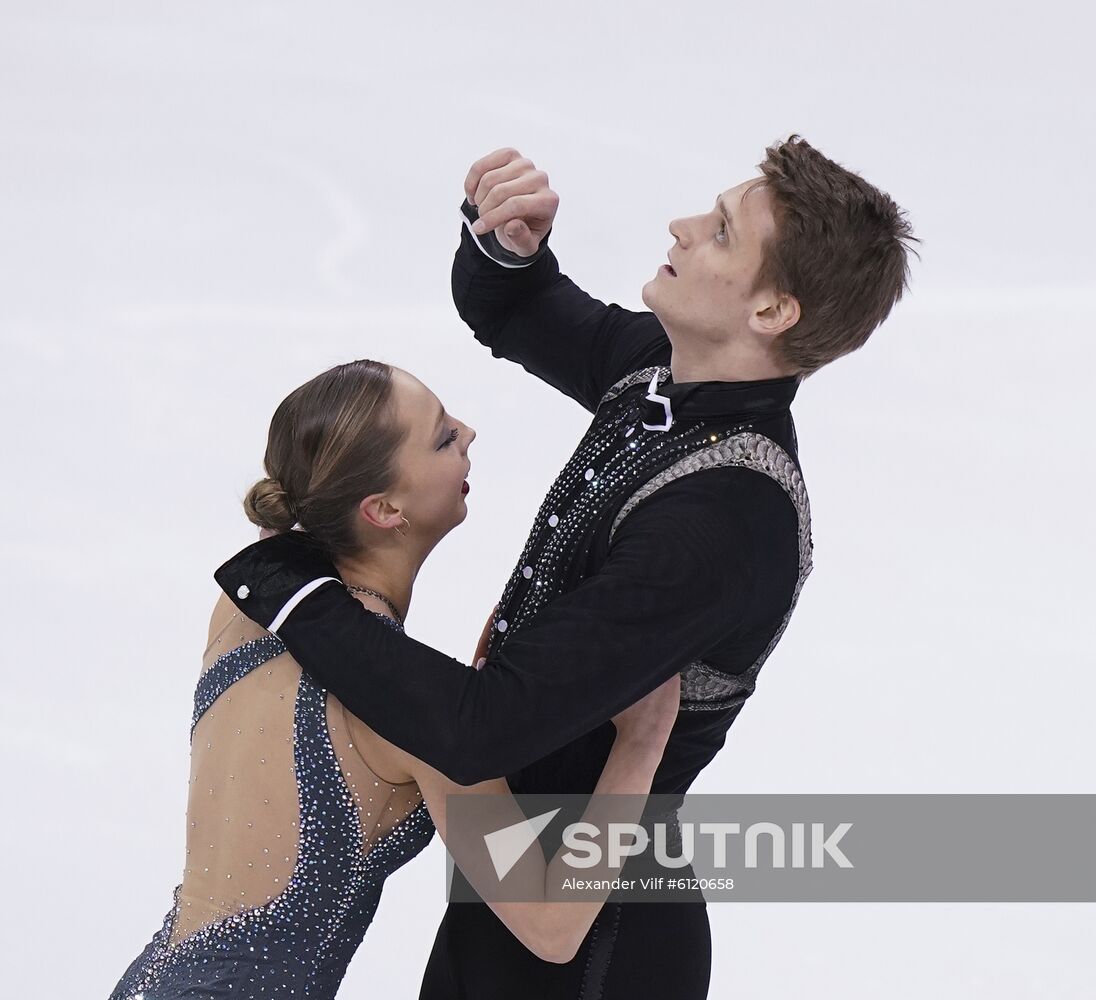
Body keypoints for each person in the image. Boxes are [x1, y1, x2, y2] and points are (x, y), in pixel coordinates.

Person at [214, 136, 918, 999]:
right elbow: (517, 310)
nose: (684, 226)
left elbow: (483, 730)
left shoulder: (724, 521)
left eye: (723, 233)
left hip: (592, 936)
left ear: (773, 311)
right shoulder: (662, 373)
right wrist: (505, 247)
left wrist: (295, 592)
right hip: (512, 884)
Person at [108, 359, 686, 1000]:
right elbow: (551, 926)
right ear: (384, 509)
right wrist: (642, 742)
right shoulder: (411, 720)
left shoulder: (245, 609)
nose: (469, 433)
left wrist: (470, 689)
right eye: (442, 438)